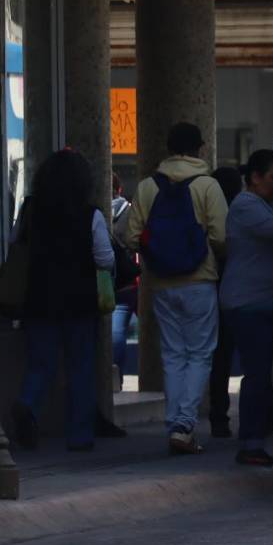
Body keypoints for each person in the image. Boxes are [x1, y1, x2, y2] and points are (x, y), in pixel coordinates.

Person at [121, 122, 228, 455]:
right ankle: (184, 424)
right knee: (200, 353)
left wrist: (157, 253)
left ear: (167, 149)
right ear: (199, 148)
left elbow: (130, 237)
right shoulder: (208, 186)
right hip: (200, 281)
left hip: (161, 283)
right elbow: (222, 237)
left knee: (173, 354)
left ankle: (174, 424)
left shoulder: (148, 187)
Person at [11, 149, 116, 452]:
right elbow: (105, 258)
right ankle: (79, 434)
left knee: (40, 364)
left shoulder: (31, 209)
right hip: (79, 301)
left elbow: (15, 243)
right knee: (81, 367)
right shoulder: (90, 214)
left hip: (39, 298)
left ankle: (28, 403)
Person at [221, 148, 273, 467]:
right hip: (248, 306)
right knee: (257, 374)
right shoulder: (245, 206)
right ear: (255, 178)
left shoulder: (272, 207)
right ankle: (251, 443)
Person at [208, 165, 244, 440]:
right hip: (244, 293)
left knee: (219, 358)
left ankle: (218, 416)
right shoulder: (243, 213)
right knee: (255, 356)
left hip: (213, 287)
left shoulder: (209, 212)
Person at [109, 173, 139, 384]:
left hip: (94, 282)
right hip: (124, 282)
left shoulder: (91, 212)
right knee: (117, 332)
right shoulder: (129, 211)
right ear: (119, 189)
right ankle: (115, 377)